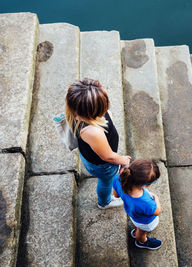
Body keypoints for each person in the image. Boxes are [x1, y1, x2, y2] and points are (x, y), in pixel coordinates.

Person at [65, 78, 131, 209]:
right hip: (103, 165)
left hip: (91, 155)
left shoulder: (78, 113)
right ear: (93, 111)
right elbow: (108, 157)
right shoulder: (93, 131)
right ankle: (104, 202)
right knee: (106, 182)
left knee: (108, 178)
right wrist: (122, 160)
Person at [112, 159, 162, 250]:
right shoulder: (146, 202)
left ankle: (137, 231)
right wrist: (156, 198)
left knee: (138, 226)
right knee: (142, 232)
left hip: (133, 215)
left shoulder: (118, 179)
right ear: (143, 185)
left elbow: (116, 195)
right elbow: (157, 211)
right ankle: (142, 241)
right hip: (146, 222)